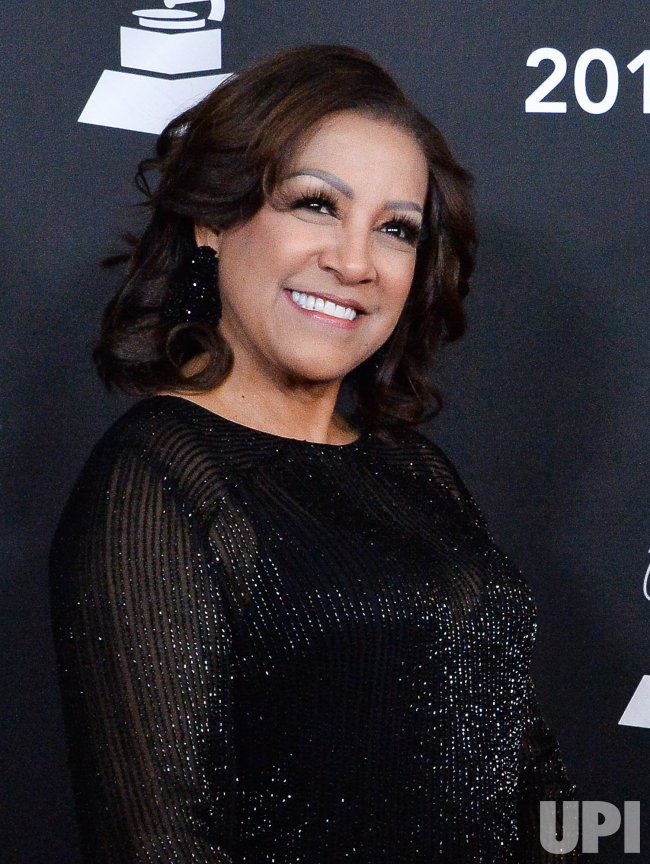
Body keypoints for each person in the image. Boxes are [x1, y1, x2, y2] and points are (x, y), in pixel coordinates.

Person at [49, 44, 580, 863]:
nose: (355, 263)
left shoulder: (413, 470)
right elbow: (161, 843)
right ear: (213, 223)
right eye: (316, 205)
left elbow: (523, 764)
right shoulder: (155, 477)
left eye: (395, 229)